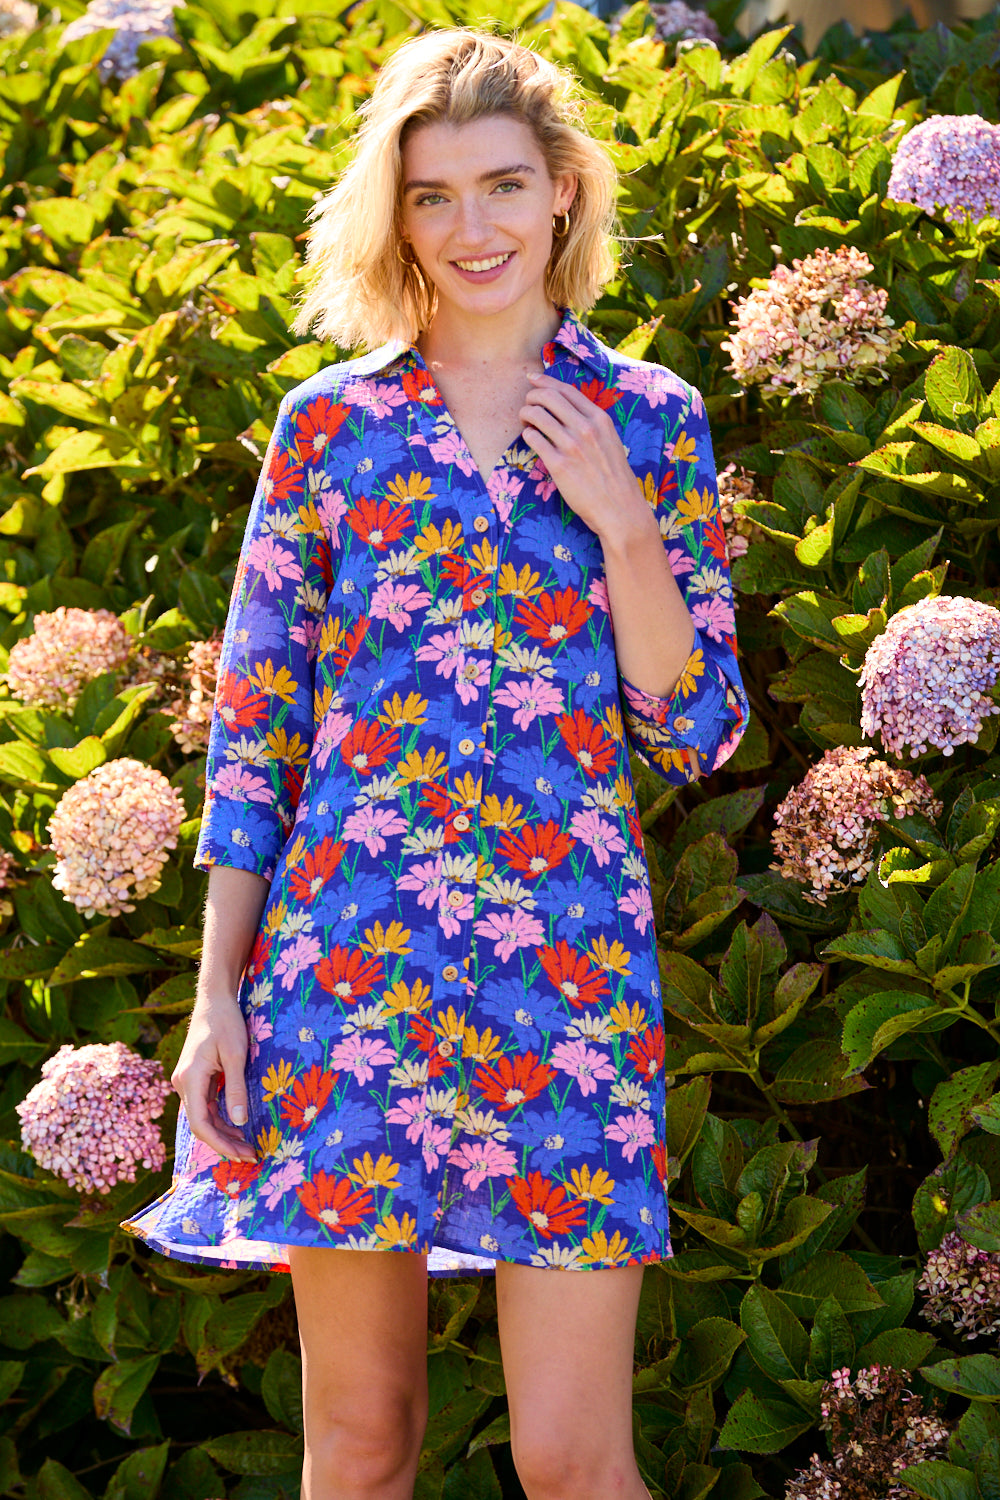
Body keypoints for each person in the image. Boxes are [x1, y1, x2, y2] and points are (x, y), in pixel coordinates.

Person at [121, 27, 748, 1500]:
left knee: (577, 1460)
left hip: (570, 983)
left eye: (504, 186)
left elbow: (696, 726)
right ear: (393, 218)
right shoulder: (330, 427)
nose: (475, 229)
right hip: (345, 982)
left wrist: (624, 529)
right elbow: (257, 734)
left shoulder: (646, 422)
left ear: (564, 196)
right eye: (434, 196)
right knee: (357, 1444)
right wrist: (219, 994)